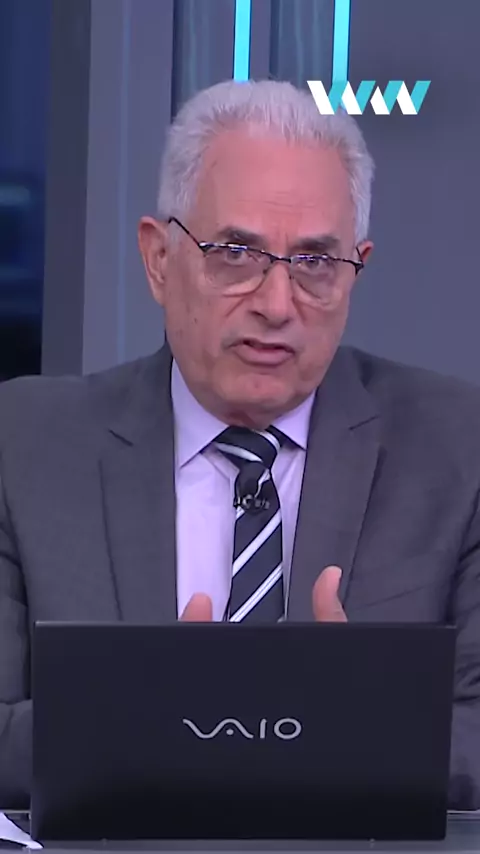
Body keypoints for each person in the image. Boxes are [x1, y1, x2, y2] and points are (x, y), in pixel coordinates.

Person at [1, 78, 480, 811]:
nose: (277, 304)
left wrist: (343, 718)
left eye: (316, 263)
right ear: (160, 259)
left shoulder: (458, 450)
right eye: (235, 252)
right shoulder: (24, 444)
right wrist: (178, 715)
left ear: (356, 268)